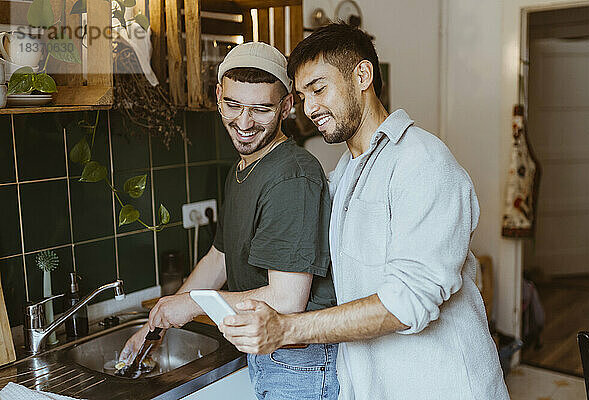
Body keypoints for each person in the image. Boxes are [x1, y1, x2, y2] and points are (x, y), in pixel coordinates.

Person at [220, 23, 510, 400]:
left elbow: (407, 303)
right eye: (303, 95)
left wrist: (288, 328)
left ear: (362, 75)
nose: (310, 108)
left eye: (319, 89)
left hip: (445, 386)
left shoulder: (422, 161)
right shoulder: (345, 173)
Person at [119, 42, 339, 400]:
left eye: (261, 109)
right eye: (233, 105)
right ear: (218, 95)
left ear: (286, 107)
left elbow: (287, 299)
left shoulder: (293, 175)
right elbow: (218, 258)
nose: (244, 122)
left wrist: (192, 304)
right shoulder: (244, 168)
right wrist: (156, 327)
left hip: (299, 361)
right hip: (268, 353)